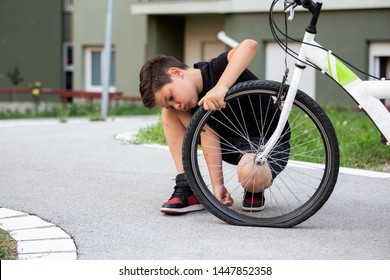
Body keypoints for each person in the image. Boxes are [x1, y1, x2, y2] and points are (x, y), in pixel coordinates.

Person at [139, 39, 290, 215]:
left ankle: (254, 188)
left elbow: (250, 45)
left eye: (171, 96)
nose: (176, 104)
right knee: (169, 114)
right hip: (231, 144)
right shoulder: (188, 104)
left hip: (267, 142)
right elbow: (208, 134)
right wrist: (218, 186)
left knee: (251, 174)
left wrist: (222, 87)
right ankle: (188, 186)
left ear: (177, 73)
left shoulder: (216, 70)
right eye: (169, 102)